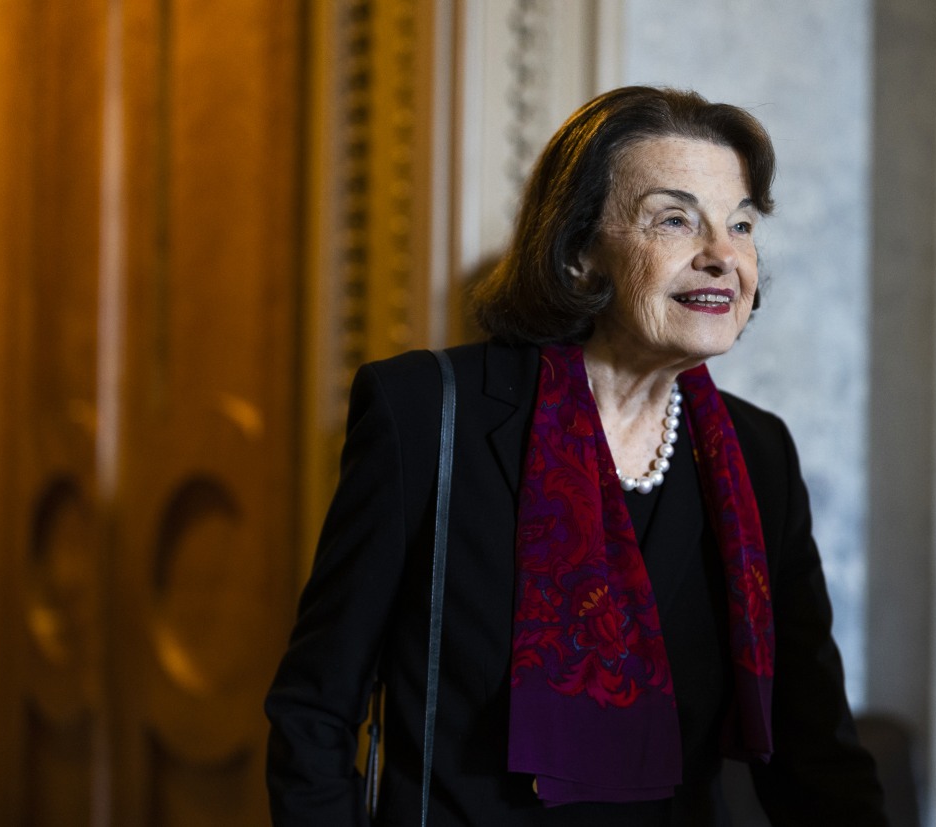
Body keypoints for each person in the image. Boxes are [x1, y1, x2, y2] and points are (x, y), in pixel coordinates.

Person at [265, 86, 888, 826]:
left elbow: (812, 746)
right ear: (579, 252)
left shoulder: (759, 455)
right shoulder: (427, 413)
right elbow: (314, 711)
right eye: (675, 219)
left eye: (742, 223)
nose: (723, 255)